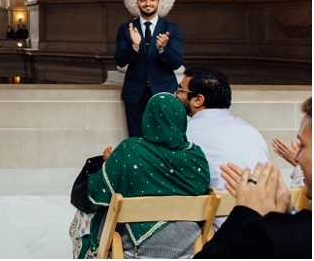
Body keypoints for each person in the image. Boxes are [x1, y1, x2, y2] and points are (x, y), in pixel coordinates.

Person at [73, 93, 210, 259]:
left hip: (134, 248)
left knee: (88, 213)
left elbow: (90, 195)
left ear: (147, 119)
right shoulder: (196, 157)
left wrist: (110, 165)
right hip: (188, 244)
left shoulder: (129, 151)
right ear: (181, 119)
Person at [195, 97, 312, 258]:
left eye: (303, 145)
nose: (296, 158)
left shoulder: (271, 238)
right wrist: (289, 215)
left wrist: (245, 212)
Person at [175, 67, 269, 229]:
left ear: (198, 100)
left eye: (180, 90)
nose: (175, 95)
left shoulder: (185, 135)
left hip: (220, 233)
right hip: (265, 224)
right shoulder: (251, 130)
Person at [115, 0, 184, 137]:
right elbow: (120, 61)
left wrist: (162, 49)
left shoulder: (172, 29)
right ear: (137, 4)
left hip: (164, 92)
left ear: (158, 3)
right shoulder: (125, 29)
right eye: (143, 0)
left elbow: (176, 63)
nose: (148, 3)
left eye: (152, 0)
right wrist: (134, 46)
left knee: (166, 137)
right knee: (137, 138)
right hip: (135, 95)